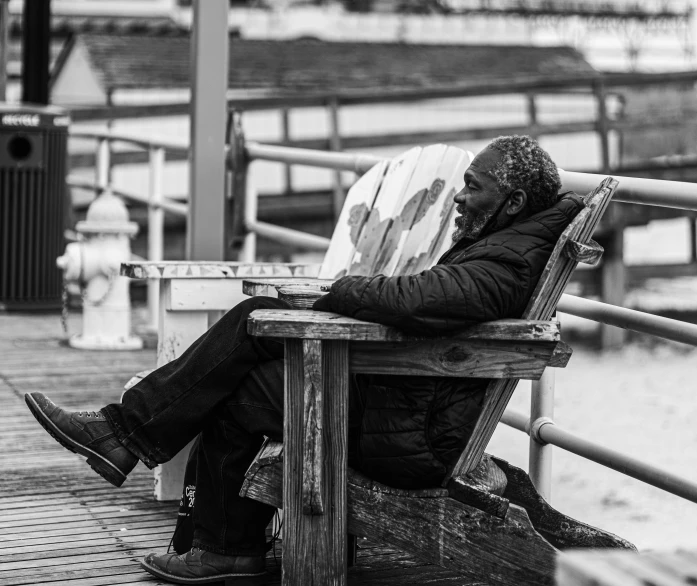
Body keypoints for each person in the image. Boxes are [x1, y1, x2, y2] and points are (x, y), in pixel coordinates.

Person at [25, 135, 583, 585]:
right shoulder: (510, 242)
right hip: (407, 404)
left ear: (511, 203)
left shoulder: (506, 262)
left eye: (473, 188)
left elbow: (420, 299)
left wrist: (339, 293)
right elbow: (428, 299)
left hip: (415, 433)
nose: (460, 198)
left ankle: (146, 459)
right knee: (253, 341)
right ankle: (168, 485)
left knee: (249, 358)